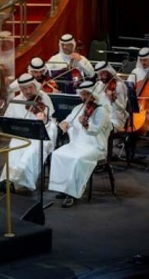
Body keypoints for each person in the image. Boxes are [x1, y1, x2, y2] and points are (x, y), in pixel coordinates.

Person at [48, 80, 112, 208]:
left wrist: (86, 125)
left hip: (95, 146)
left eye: (87, 94)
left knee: (77, 159)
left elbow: (95, 131)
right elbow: (68, 120)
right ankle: (63, 188)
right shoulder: (78, 108)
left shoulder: (101, 111)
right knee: (57, 154)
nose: (84, 97)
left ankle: (71, 194)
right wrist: (64, 124)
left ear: (94, 95)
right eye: (82, 94)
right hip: (77, 143)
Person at [0, 73, 57, 193]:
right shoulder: (16, 100)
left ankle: (20, 183)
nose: (28, 91)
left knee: (30, 153)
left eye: (30, 87)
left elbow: (50, 120)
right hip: (22, 134)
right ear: (20, 89)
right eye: (24, 89)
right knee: (14, 150)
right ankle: (7, 180)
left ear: (35, 86)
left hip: (40, 134)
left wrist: (43, 118)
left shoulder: (43, 97)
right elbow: (8, 119)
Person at [92, 61, 130, 133]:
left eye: (103, 74)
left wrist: (113, 100)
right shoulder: (99, 85)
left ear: (109, 72)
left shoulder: (119, 85)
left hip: (115, 119)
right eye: (99, 74)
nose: (100, 77)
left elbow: (122, 108)